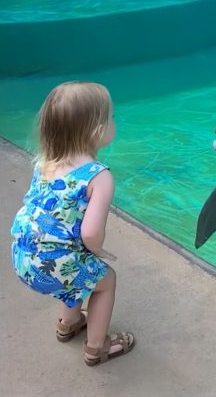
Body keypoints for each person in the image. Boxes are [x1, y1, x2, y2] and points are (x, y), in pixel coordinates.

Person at [10, 81, 135, 366]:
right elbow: (90, 234)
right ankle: (96, 347)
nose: (114, 122)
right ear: (95, 131)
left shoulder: (45, 162)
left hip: (22, 257)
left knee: (73, 265)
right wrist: (99, 250)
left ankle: (69, 322)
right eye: (110, 118)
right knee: (103, 278)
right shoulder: (98, 176)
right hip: (54, 265)